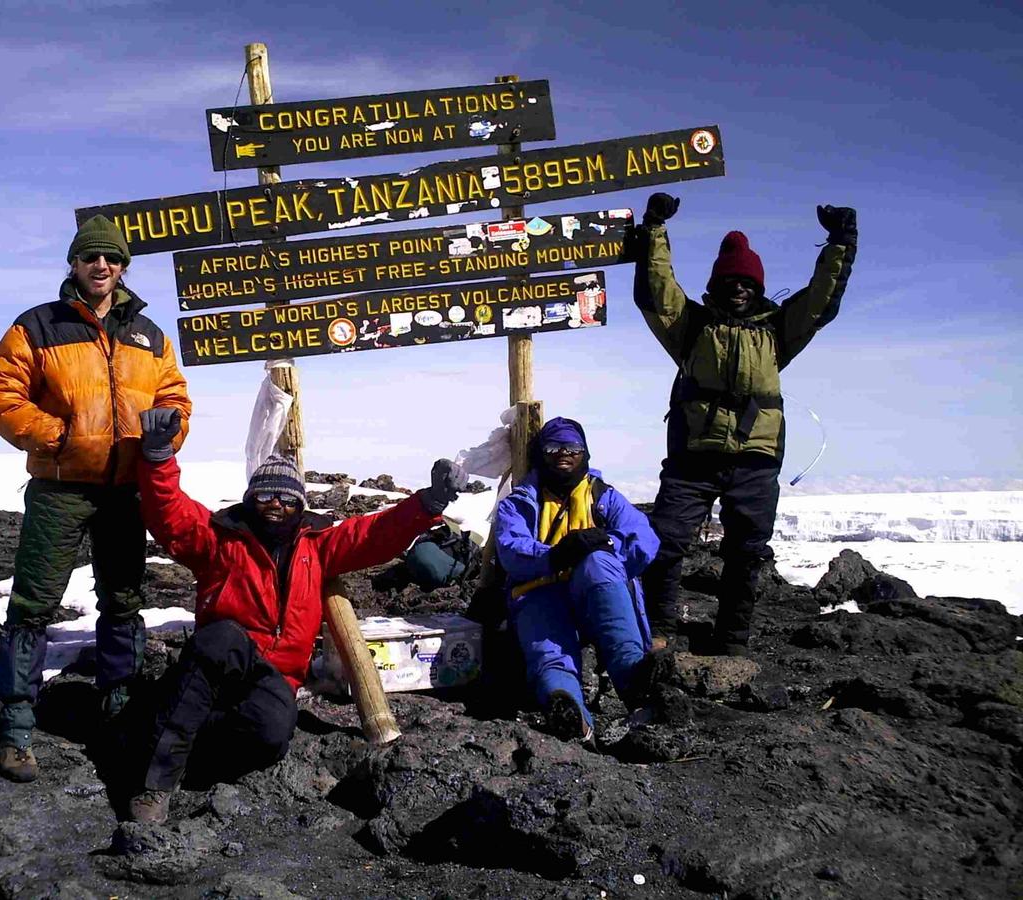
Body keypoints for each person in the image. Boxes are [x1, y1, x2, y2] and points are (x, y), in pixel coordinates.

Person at [127, 409, 460, 824]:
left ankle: (172, 731)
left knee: (271, 737)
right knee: (223, 636)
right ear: (250, 499)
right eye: (266, 495)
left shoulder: (317, 546)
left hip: (276, 676)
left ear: (299, 506)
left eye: (287, 498)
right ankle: (156, 783)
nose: (276, 505)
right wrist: (158, 456)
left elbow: (373, 535)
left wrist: (427, 503)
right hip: (222, 661)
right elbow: (170, 514)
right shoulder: (218, 537)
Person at [0, 215, 191, 782]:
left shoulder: (148, 335)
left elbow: (175, 397)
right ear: (74, 264)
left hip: (126, 490)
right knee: (33, 604)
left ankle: (118, 703)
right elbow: (3, 394)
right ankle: (16, 726)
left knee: (123, 598)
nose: (102, 266)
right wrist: (60, 438)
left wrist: (163, 438)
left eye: (112, 258)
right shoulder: (38, 326)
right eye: (91, 257)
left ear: (122, 266)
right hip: (59, 488)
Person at [634, 192, 857, 655]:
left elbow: (821, 301)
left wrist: (841, 240)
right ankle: (659, 631)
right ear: (715, 285)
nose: (739, 287)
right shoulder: (691, 326)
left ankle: (731, 642)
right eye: (730, 280)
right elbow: (658, 289)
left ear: (757, 287)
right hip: (692, 459)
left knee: (747, 553)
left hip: (755, 462)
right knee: (665, 543)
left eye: (747, 282)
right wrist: (654, 228)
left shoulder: (778, 330)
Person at [495, 417, 659, 742]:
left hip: (597, 592)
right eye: (553, 447)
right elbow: (511, 548)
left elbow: (644, 540)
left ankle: (640, 695)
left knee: (599, 562)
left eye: (572, 447)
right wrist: (555, 555)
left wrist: (607, 543)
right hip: (541, 593)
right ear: (541, 453)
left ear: (585, 452)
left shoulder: (604, 497)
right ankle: (571, 716)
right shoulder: (521, 503)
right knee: (549, 655)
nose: (563, 454)